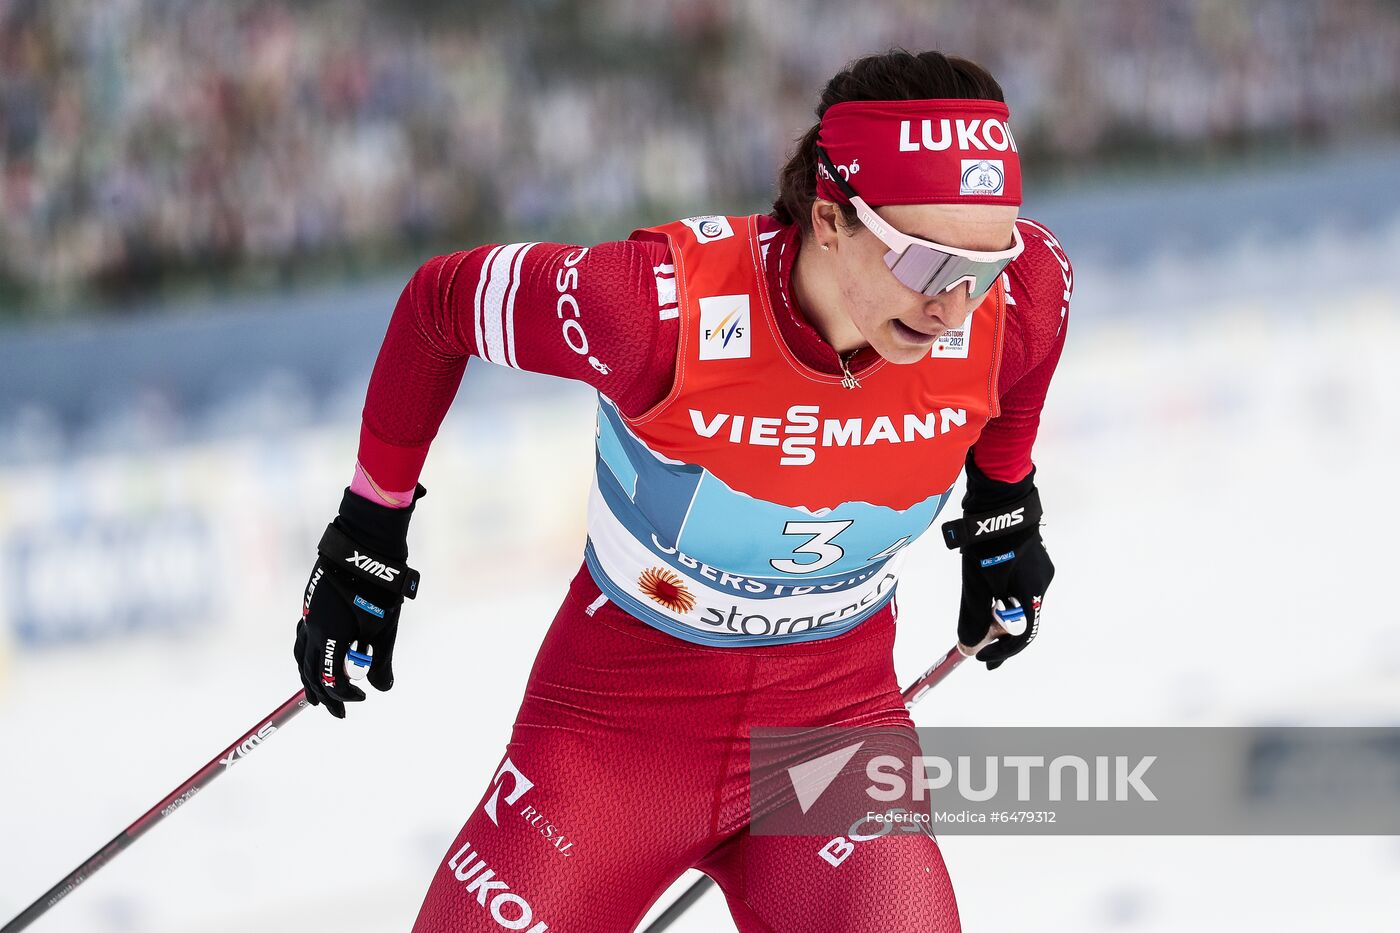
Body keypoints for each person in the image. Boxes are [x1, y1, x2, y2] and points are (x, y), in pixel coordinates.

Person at [294, 49, 1072, 932]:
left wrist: (1005, 510)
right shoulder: (653, 311)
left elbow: (1018, 375)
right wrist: (368, 531)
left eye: (984, 267)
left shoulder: (1023, 298)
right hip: (617, 737)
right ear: (830, 217)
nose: (956, 308)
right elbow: (440, 305)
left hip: (834, 727)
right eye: (928, 266)